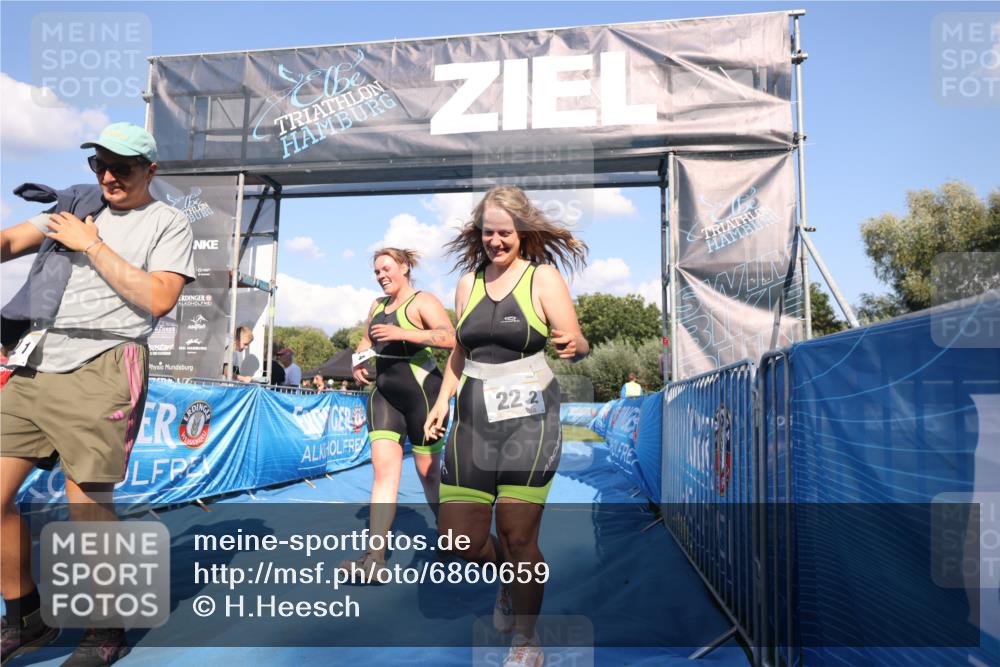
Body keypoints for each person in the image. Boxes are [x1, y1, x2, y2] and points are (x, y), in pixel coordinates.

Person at [0, 122, 195, 666]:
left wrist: (93, 244)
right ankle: (26, 618)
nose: (108, 176)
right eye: (99, 165)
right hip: (36, 359)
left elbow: (157, 299)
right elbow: (10, 241)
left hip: (107, 360)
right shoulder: (78, 205)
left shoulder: (168, 221)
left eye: (122, 167)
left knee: (85, 504)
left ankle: (105, 630)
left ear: (150, 170)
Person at [424, 186, 589, 667]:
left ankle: (526, 640)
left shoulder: (543, 278)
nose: (496, 241)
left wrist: (574, 343)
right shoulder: (467, 283)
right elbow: (460, 350)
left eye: (505, 232)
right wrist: (441, 401)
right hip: (473, 422)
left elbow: (577, 341)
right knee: (461, 541)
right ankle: (511, 582)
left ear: (523, 232)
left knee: (520, 538)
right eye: (488, 232)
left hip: (529, 424)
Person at [344, 248, 455, 578]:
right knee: (383, 473)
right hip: (384, 394)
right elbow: (366, 341)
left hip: (424, 393)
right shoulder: (376, 306)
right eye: (377, 271)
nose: (381, 276)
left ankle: (450, 537)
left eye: (386, 269)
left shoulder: (423, 301)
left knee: (428, 473)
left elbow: (451, 338)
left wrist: (404, 333)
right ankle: (374, 558)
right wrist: (358, 363)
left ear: (405, 267)